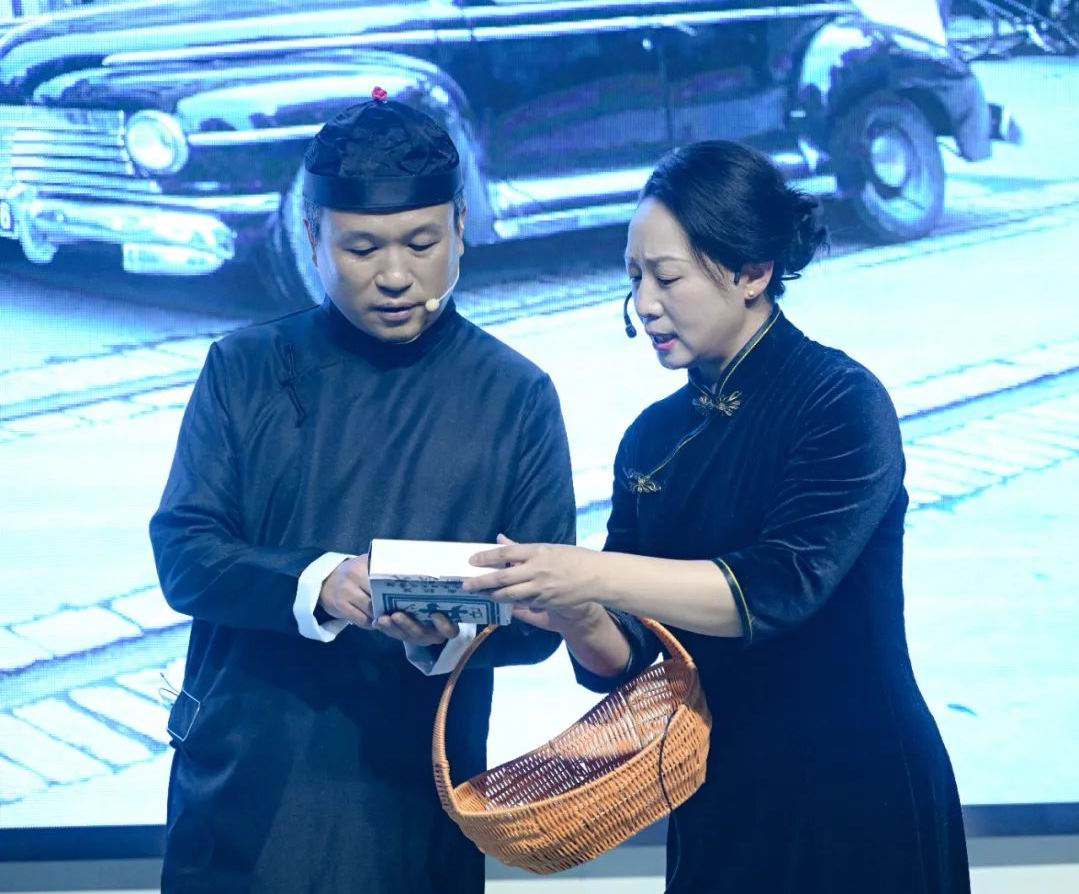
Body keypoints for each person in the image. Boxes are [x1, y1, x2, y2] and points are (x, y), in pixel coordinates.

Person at [466, 141, 970, 893]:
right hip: (720, 794)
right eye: (633, 277)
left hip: (856, 789)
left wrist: (590, 573)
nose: (644, 303)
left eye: (667, 277)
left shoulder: (840, 400)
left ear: (752, 272)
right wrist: (573, 609)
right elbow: (627, 659)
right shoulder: (651, 436)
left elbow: (779, 587)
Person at [149, 89, 575, 894]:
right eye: (361, 248)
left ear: (460, 226)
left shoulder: (516, 394)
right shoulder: (244, 368)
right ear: (312, 237)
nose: (395, 276)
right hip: (248, 783)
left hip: (410, 792)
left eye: (421, 243)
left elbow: (540, 621)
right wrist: (322, 582)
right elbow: (185, 555)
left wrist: (451, 631)